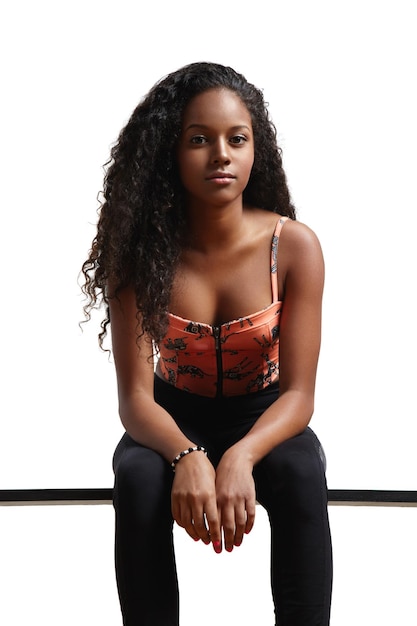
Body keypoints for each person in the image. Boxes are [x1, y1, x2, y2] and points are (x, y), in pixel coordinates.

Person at [81, 61, 332, 626]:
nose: (220, 154)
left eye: (236, 139)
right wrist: (187, 455)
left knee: (300, 472)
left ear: (254, 150)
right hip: (170, 419)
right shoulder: (139, 254)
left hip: (266, 418)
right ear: (171, 152)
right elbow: (135, 400)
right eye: (199, 140)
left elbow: (298, 395)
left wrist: (241, 454)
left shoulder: (293, 248)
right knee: (141, 476)